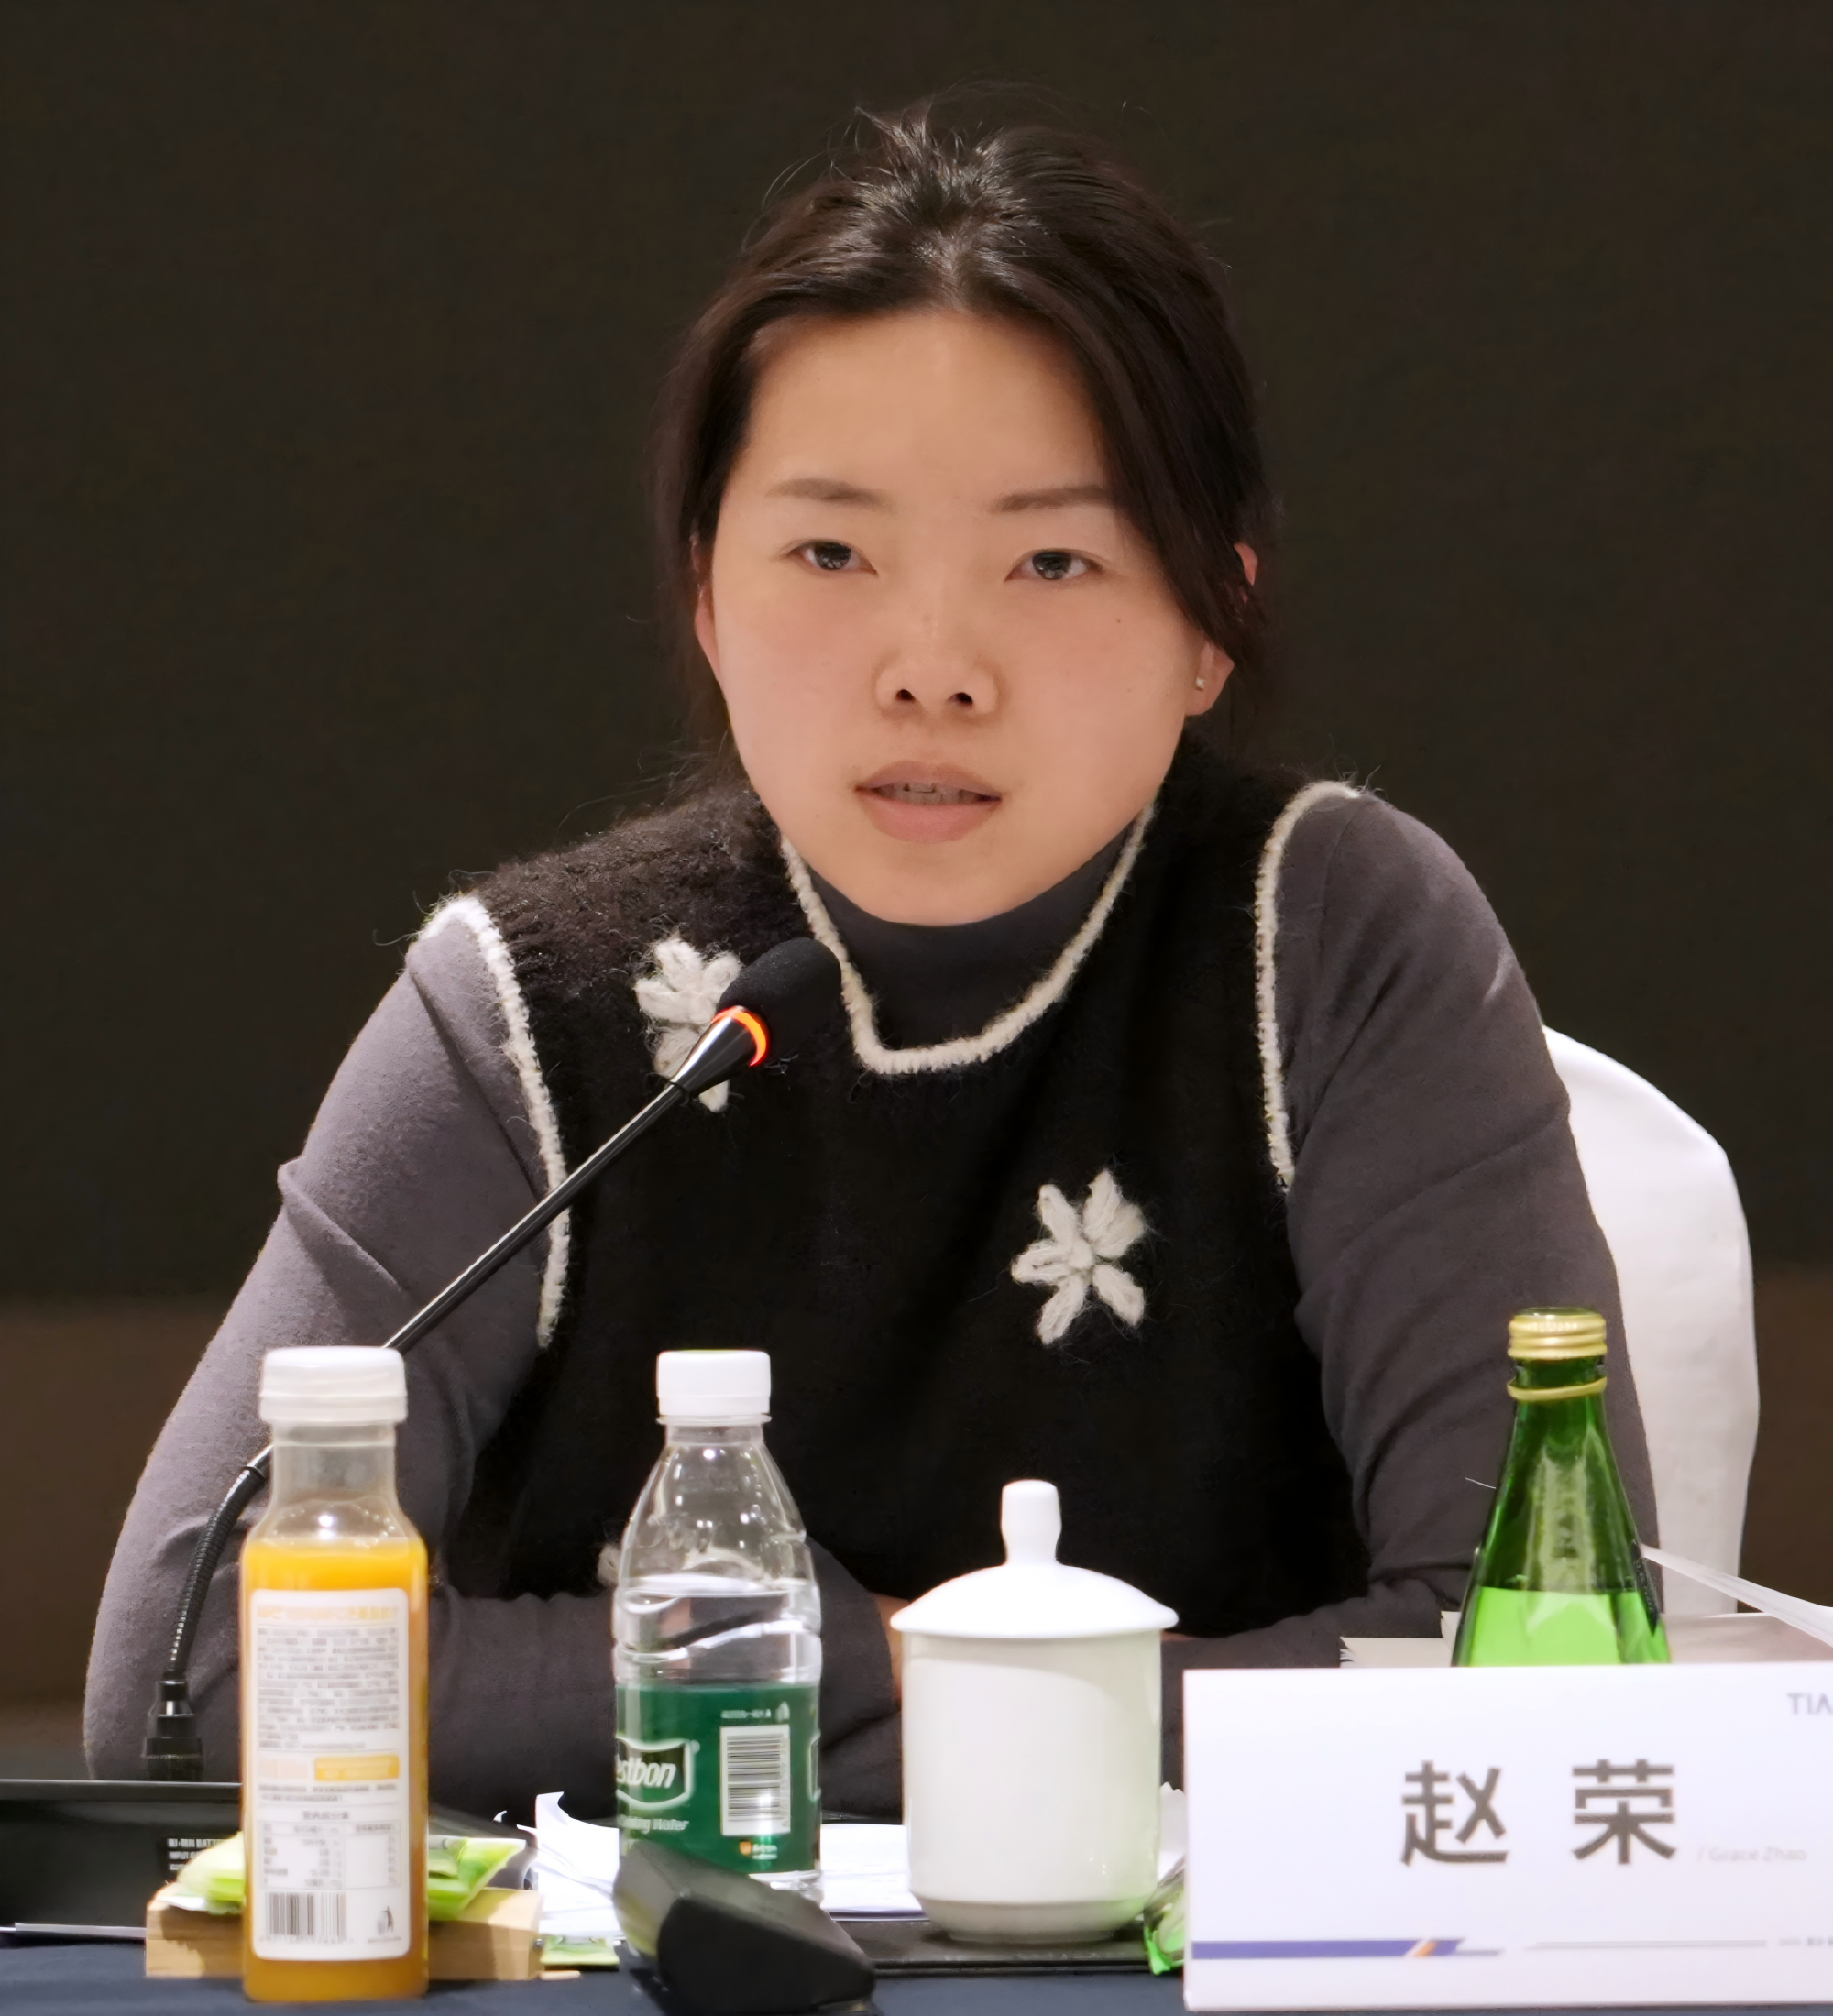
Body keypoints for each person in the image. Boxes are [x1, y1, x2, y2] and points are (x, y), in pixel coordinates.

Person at [86, 99, 1652, 1823]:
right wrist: (876, 1662)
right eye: (831, 552)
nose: (933, 667)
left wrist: (803, 1690)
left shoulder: (1334, 937)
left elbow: (1540, 1660)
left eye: (1052, 559)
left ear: (1213, 618)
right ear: (706, 592)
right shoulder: (535, 1005)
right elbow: (195, 1676)